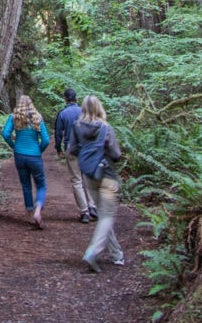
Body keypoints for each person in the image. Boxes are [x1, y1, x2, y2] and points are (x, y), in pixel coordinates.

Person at [68, 94, 124, 272]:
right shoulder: (105, 127)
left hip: (89, 174)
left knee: (103, 215)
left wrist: (87, 155)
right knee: (106, 216)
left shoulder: (76, 126)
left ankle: (117, 255)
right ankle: (93, 252)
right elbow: (116, 154)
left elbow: (72, 149)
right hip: (106, 175)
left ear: (83, 108)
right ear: (99, 107)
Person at [2, 94, 51, 228]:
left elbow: (5, 134)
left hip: (19, 155)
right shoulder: (37, 117)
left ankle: (30, 213)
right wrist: (38, 150)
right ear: (31, 104)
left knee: (26, 185)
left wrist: (14, 146)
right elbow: (46, 140)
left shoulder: (14, 117)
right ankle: (38, 210)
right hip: (34, 156)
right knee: (41, 185)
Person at [54, 88, 97, 223]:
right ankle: (93, 207)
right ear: (76, 98)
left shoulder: (63, 114)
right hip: (87, 149)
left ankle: (84, 212)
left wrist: (58, 148)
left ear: (65, 98)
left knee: (77, 180)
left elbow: (58, 132)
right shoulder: (84, 112)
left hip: (71, 149)